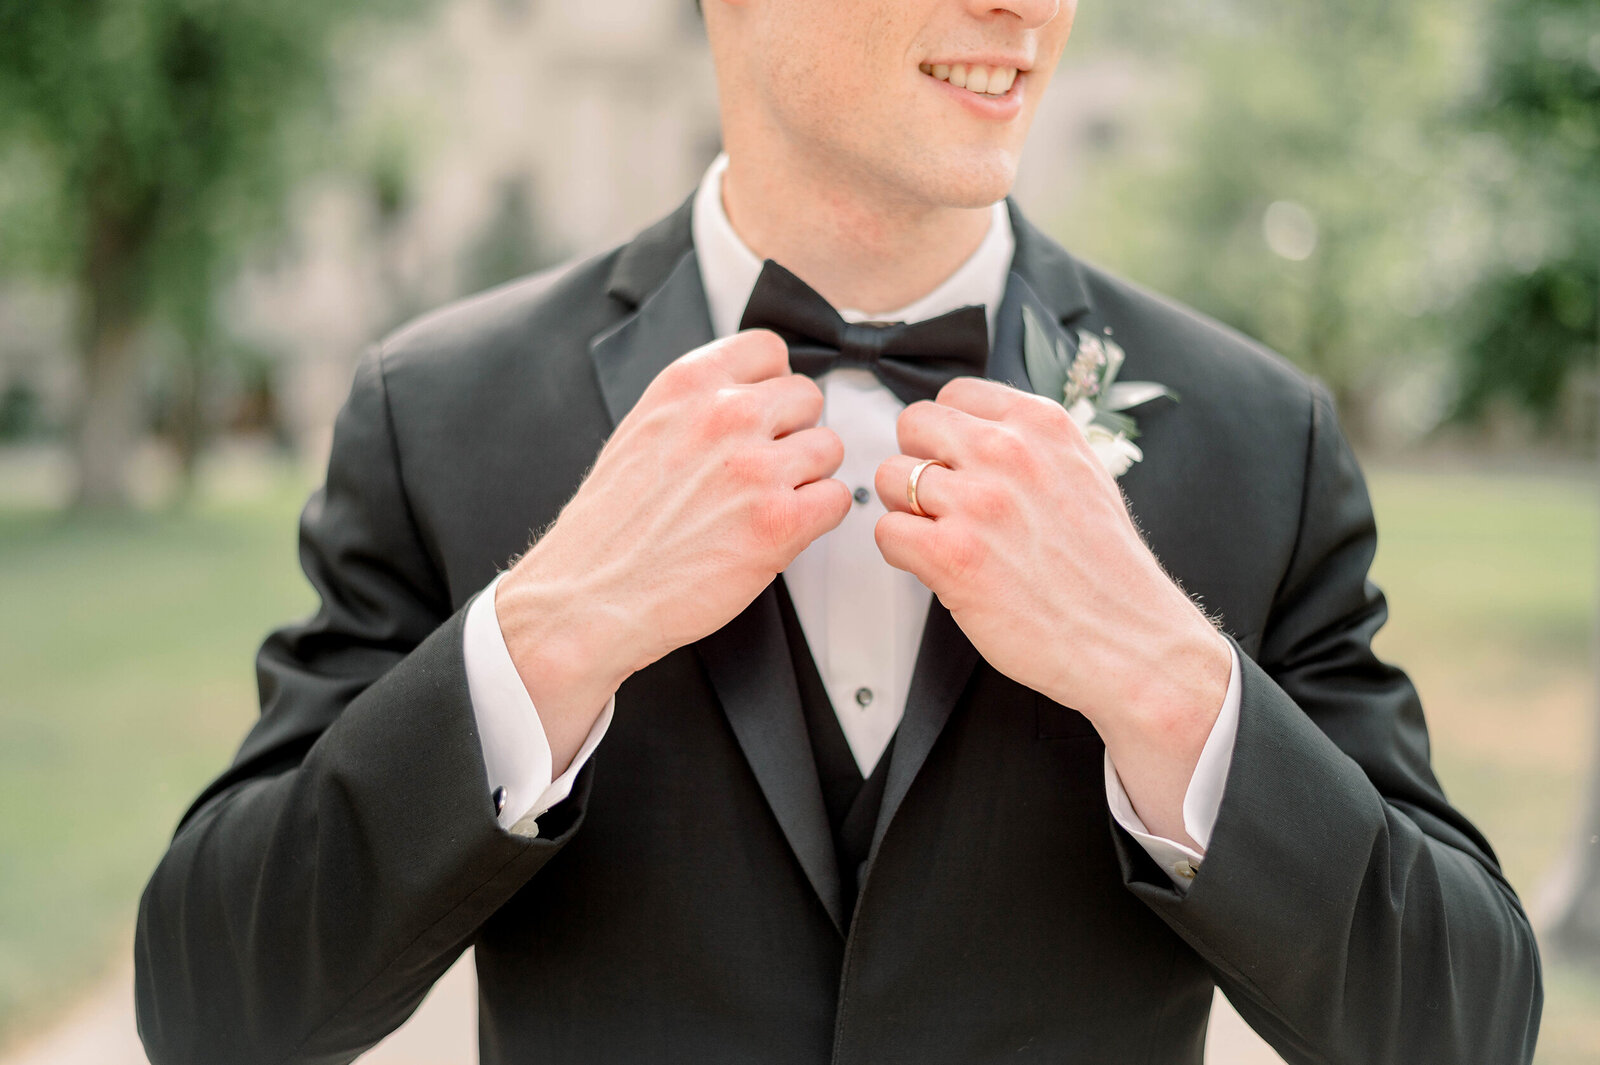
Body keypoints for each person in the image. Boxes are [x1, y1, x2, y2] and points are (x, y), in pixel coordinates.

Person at [133, 1, 1543, 1062]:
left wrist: (1164, 675)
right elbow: (217, 1003)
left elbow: (1466, 1021)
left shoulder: (1257, 437)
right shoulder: (435, 412)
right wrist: (550, 631)